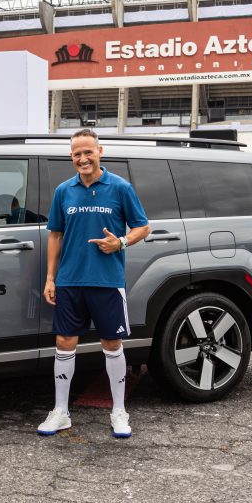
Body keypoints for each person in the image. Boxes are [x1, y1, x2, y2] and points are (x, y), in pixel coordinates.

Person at [37, 129, 150, 438]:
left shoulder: (120, 188)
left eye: (88, 152)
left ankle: (119, 411)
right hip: (70, 281)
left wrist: (122, 243)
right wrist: (50, 278)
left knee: (111, 344)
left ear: (100, 151)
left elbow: (144, 226)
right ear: (71, 157)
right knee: (64, 343)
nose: (82, 158)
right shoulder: (64, 191)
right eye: (76, 154)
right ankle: (61, 412)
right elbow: (55, 235)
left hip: (106, 281)